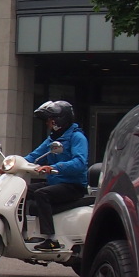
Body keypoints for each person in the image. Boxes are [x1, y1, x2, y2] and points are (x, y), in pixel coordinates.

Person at [23, 100, 89, 252]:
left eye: (49, 119)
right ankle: (25, 233)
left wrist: (53, 167)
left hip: (73, 185)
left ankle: (51, 239)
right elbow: (34, 156)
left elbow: (80, 162)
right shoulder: (52, 139)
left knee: (42, 193)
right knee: (22, 191)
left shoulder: (77, 137)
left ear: (60, 119)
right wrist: (12, 164)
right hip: (56, 183)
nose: (47, 123)